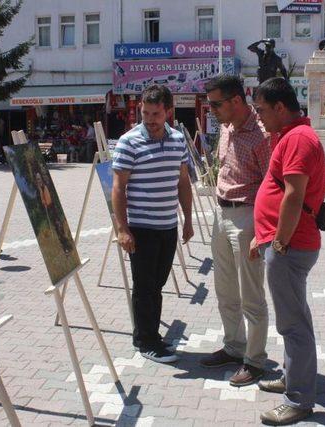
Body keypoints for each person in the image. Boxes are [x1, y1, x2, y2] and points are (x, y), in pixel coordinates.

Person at [252, 78, 325, 425]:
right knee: (296, 317)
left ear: (280, 108)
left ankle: (297, 399)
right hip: (286, 241)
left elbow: (293, 195)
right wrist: (265, 236)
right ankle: (292, 376)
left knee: (292, 323)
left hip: (290, 245)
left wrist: (279, 242)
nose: (260, 118)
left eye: (263, 110)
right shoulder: (293, 135)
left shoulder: (297, 138)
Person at [198, 75, 271, 386]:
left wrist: (263, 230)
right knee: (225, 288)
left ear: (236, 101)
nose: (211, 109)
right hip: (222, 213)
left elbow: (273, 184)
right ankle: (234, 346)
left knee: (251, 294)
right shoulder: (227, 128)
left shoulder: (263, 135)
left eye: (216, 104)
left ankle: (255, 360)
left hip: (248, 216)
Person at [112, 84, 194, 364]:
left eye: (156, 113)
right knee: (145, 286)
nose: (149, 119)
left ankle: (148, 335)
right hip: (141, 228)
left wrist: (188, 220)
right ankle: (147, 341)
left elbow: (183, 181)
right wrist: (122, 229)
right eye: (145, 113)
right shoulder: (128, 141)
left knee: (156, 285)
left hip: (167, 226)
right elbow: (118, 188)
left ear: (168, 112)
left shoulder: (177, 140)